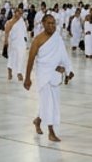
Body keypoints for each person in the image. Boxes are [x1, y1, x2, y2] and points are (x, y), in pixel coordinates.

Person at [24, 13, 72, 143]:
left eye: (53, 23)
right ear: (43, 24)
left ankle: (38, 120)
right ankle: (51, 131)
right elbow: (30, 59)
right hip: (43, 75)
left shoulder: (57, 38)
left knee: (52, 102)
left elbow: (63, 55)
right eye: (49, 23)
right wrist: (27, 78)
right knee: (48, 103)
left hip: (55, 75)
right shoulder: (38, 40)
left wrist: (67, 69)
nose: (52, 26)